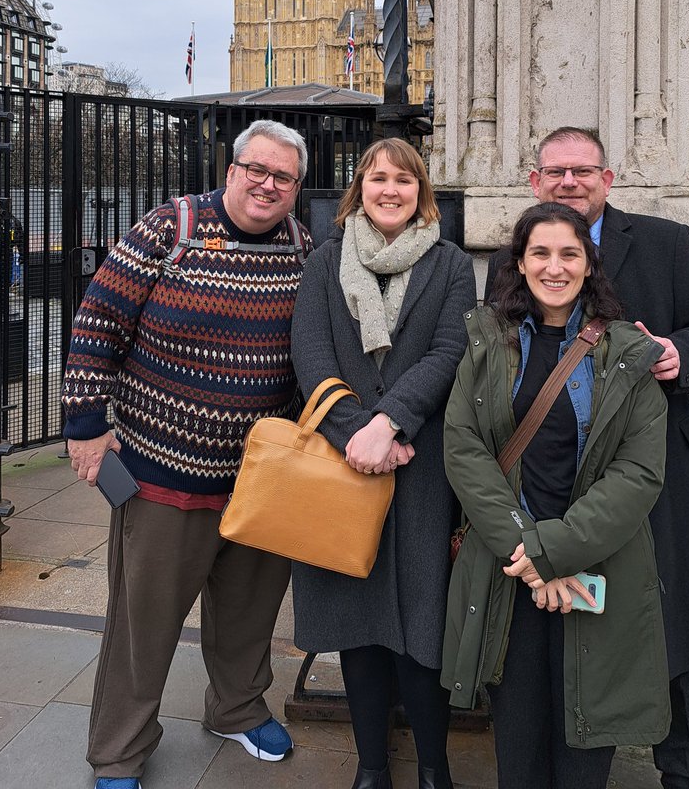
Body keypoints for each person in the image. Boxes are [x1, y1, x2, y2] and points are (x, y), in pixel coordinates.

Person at [485, 127, 689, 789]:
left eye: (583, 170)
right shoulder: (513, 259)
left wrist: (683, 356)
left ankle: (684, 770)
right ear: (534, 181)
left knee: (666, 628)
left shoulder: (665, 243)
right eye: (556, 171)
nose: (570, 181)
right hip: (554, 483)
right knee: (572, 622)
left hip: (656, 479)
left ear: (609, 179)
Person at [62, 120, 312, 789]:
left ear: (296, 188)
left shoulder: (301, 246)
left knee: (249, 614)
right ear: (230, 171)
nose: (267, 184)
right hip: (161, 473)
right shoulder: (168, 230)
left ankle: (236, 708)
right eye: (256, 169)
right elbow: (97, 321)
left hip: (261, 480)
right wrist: (86, 425)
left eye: (283, 176)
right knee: (143, 626)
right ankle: (118, 752)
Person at [444, 201, 670, 789]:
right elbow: (464, 449)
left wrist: (555, 552)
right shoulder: (487, 341)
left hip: (595, 570)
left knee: (585, 742)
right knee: (517, 741)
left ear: (589, 265)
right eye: (539, 253)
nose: (554, 267)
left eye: (569, 253)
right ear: (518, 263)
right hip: (510, 571)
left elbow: (638, 474)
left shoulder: (627, 352)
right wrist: (528, 553)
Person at [290, 138, 476, 789]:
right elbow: (310, 355)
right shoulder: (325, 262)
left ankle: (433, 765)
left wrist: (389, 421)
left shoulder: (451, 264)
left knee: (423, 626)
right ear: (359, 188)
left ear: (420, 190)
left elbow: (451, 350)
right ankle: (371, 765)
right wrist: (357, 435)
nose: (390, 189)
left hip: (420, 463)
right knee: (359, 626)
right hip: (345, 465)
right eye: (378, 178)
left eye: (403, 179)